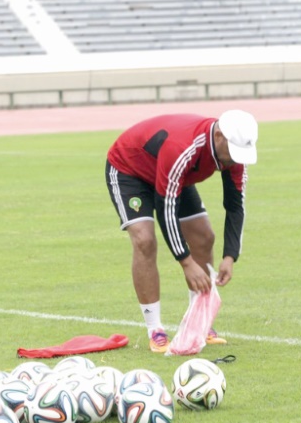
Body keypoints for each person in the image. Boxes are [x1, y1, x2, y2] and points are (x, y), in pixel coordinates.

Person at [106, 110, 257, 352]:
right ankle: (154, 328)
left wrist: (230, 256)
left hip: (173, 174)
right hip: (130, 170)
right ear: (219, 136)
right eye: (232, 154)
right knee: (145, 240)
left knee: (204, 237)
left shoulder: (234, 158)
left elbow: (235, 205)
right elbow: (166, 208)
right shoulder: (183, 146)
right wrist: (186, 262)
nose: (233, 161)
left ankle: (199, 324)